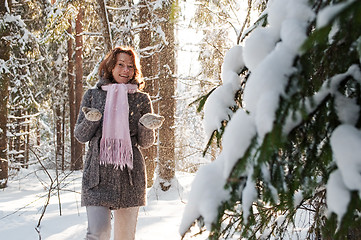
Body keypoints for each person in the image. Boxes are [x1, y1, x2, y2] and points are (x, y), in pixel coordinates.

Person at [74, 46, 164, 240]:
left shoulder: (141, 98)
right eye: (120, 65)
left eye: (130, 66)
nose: (126, 70)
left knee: (125, 237)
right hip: (97, 175)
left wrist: (146, 126)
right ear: (110, 67)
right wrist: (91, 120)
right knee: (98, 233)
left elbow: (145, 143)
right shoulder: (92, 95)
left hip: (129, 176)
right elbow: (80, 136)